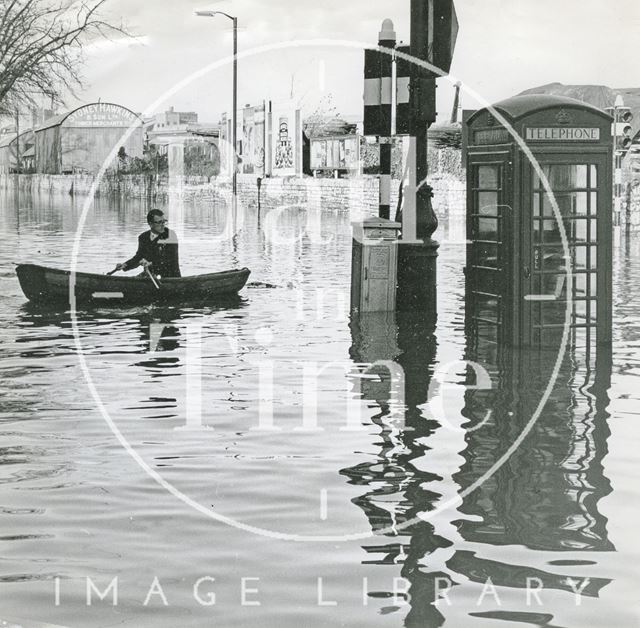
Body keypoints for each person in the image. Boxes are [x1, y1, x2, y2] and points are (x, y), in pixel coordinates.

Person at [116, 209, 181, 277]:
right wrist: (125, 265)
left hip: (170, 278)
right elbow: (139, 257)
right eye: (159, 222)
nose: (163, 225)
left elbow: (170, 260)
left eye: (163, 222)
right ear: (150, 224)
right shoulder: (143, 237)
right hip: (150, 277)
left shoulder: (171, 235)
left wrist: (151, 264)